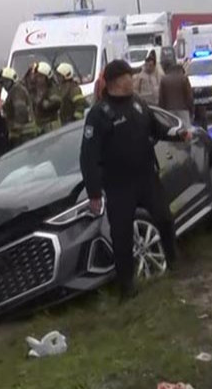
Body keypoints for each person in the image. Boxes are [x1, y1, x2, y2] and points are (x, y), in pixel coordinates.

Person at [79, 60, 187, 301]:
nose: (134, 79)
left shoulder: (137, 102)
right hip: (119, 185)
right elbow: (88, 156)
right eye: (129, 75)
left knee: (165, 218)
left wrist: (177, 134)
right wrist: (94, 192)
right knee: (121, 234)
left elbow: (156, 129)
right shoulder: (99, 114)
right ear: (117, 81)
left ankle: (174, 261)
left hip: (146, 176)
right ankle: (127, 286)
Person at [0, 66, 35, 147]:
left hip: (24, 133)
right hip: (23, 133)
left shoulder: (17, 91)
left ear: (12, 81)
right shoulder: (14, 90)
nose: (4, 85)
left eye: (6, 82)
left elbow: (21, 111)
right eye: (2, 82)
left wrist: (15, 130)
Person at [158, 57, 195, 126]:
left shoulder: (164, 79)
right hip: (183, 109)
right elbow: (189, 96)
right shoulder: (183, 78)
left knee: (173, 130)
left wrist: (162, 112)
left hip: (169, 111)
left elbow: (161, 98)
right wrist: (192, 110)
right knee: (186, 131)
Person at [31, 62, 61, 134]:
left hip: (52, 127)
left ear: (47, 78)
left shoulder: (53, 89)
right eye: (36, 76)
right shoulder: (36, 90)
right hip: (39, 126)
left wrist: (41, 101)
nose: (37, 79)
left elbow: (54, 103)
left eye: (40, 77)